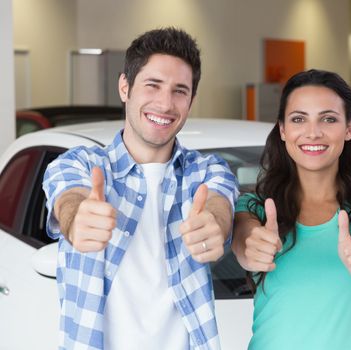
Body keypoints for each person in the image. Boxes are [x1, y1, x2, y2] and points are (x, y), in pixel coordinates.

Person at [43, 27, 238, 350]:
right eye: (153, 85)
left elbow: (220, 200)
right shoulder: (78, 165)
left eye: (180, 91)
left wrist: (216, 224)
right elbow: (68, 195)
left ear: (191, 100)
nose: (165, 103)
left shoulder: (206, 171)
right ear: (125, 87)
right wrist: (78, 218)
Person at [232, 69, 351, 349]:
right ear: (282, 129)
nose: (313, 133)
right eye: (299, 119)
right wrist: (252, 248)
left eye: (328, 119)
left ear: (349, 128)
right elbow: (245, 243)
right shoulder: (255, 209)